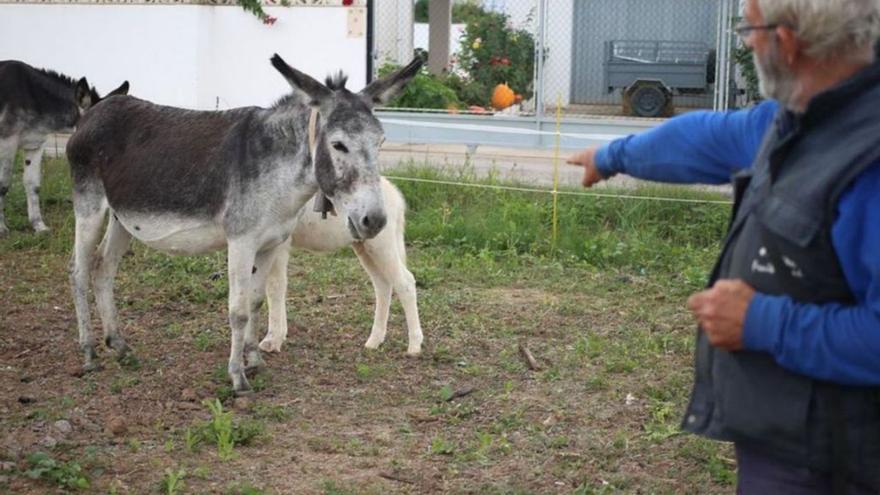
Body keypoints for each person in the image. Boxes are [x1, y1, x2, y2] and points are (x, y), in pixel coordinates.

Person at [567, 0, 880, 493]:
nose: (747, 41)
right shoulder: (798, 118)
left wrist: (761, 322)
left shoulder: (868, 160)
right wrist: (612, 156)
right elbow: (704, 138)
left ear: (788, 40)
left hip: (840, 463)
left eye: (749, 28)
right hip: (793, 441)